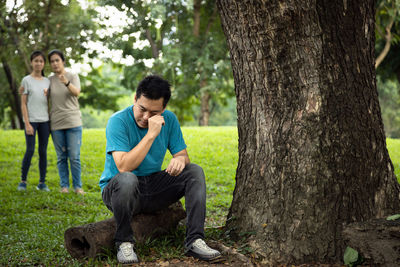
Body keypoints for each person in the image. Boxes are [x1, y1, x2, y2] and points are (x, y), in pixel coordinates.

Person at [99, 75, 221, 264]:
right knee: (127, 178)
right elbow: (123, 166)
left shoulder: (169, 119)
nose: (146, 117)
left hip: (153, 187)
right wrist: (151, 134)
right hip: (119, 191)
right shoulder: (118, 121)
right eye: (142, 109)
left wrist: (179, 160)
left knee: (194, 171)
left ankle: (195, 240)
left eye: (154, 112)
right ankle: (124, 242)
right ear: (135, 99)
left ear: (163, 109)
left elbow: (183, 156)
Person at [48, 49, 84, 194]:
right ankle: (64, 186)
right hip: (56, 123)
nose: (55, 63)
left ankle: (78, 186)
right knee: (61, 157)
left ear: (63, 61)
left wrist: (66, 82)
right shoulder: (49, 80)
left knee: (74, 157)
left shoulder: (72, 75)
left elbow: (77, 92)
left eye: (57, 60)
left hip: (73, 122)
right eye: (52, 61)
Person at [17, 51, 51, 192]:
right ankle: (23, 181)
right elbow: (23, 103)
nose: (38, 63)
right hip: (32, 121)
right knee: (30, 150)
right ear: (31, 62)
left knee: (43, 151)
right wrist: (27, 123)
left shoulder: (47, 81)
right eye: (36, 60)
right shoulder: (26, 80)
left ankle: (42, 183)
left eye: (41, 61)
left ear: (44, 64)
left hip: (45, 121)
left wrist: (48, 94)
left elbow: (51, 101)